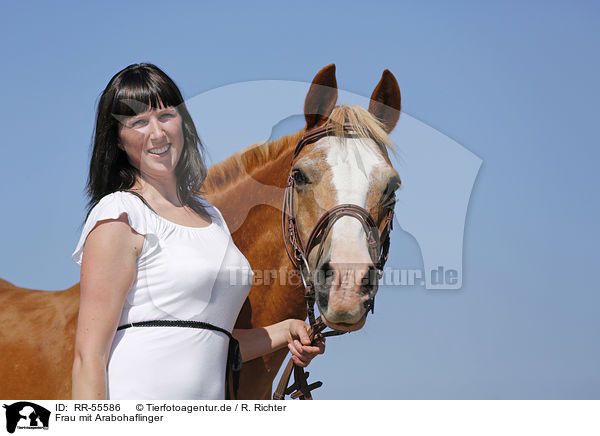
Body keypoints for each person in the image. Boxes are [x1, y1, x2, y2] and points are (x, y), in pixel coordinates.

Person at [71, 63, 325, 400]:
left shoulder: (212, 217)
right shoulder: (120, 214)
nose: (157, 134)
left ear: (182, 123)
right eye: (138, 122)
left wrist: (287, 330)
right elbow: (89, 356)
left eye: (165, 116)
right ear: (118, 139)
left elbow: (210, 339)